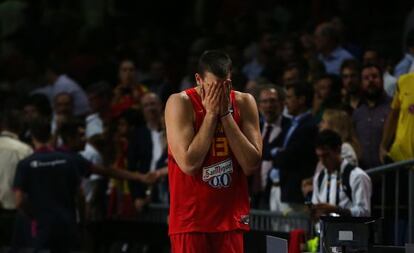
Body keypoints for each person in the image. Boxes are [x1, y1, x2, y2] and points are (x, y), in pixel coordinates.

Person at [165, 50, 262, 253]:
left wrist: (225, 114)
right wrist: (210, 115)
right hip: (191, 221)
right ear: (198, 80)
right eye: (213, 88)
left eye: (225, 86)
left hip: (231, 219)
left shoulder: (244, 102)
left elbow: (251, 164)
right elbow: (189, 164)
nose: (219, 94)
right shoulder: (179, 103)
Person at [311, 130, 371, 220]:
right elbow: (316, 211)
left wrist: (336, 210)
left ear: (338, 150)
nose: (322, 161)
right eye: (319, 156)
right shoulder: (319, 178)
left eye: (326, 155)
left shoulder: (358, 176)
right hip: (326, 232)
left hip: (350, 232)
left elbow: (364, 213)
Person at [352, 64, 391, 169]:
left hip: (390, 172)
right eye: (366, 78)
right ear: (361, 83)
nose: (371, 81)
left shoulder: (392, 107)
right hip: (365, 174)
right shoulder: (357, 112)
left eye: (374, 76)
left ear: (382, 80)